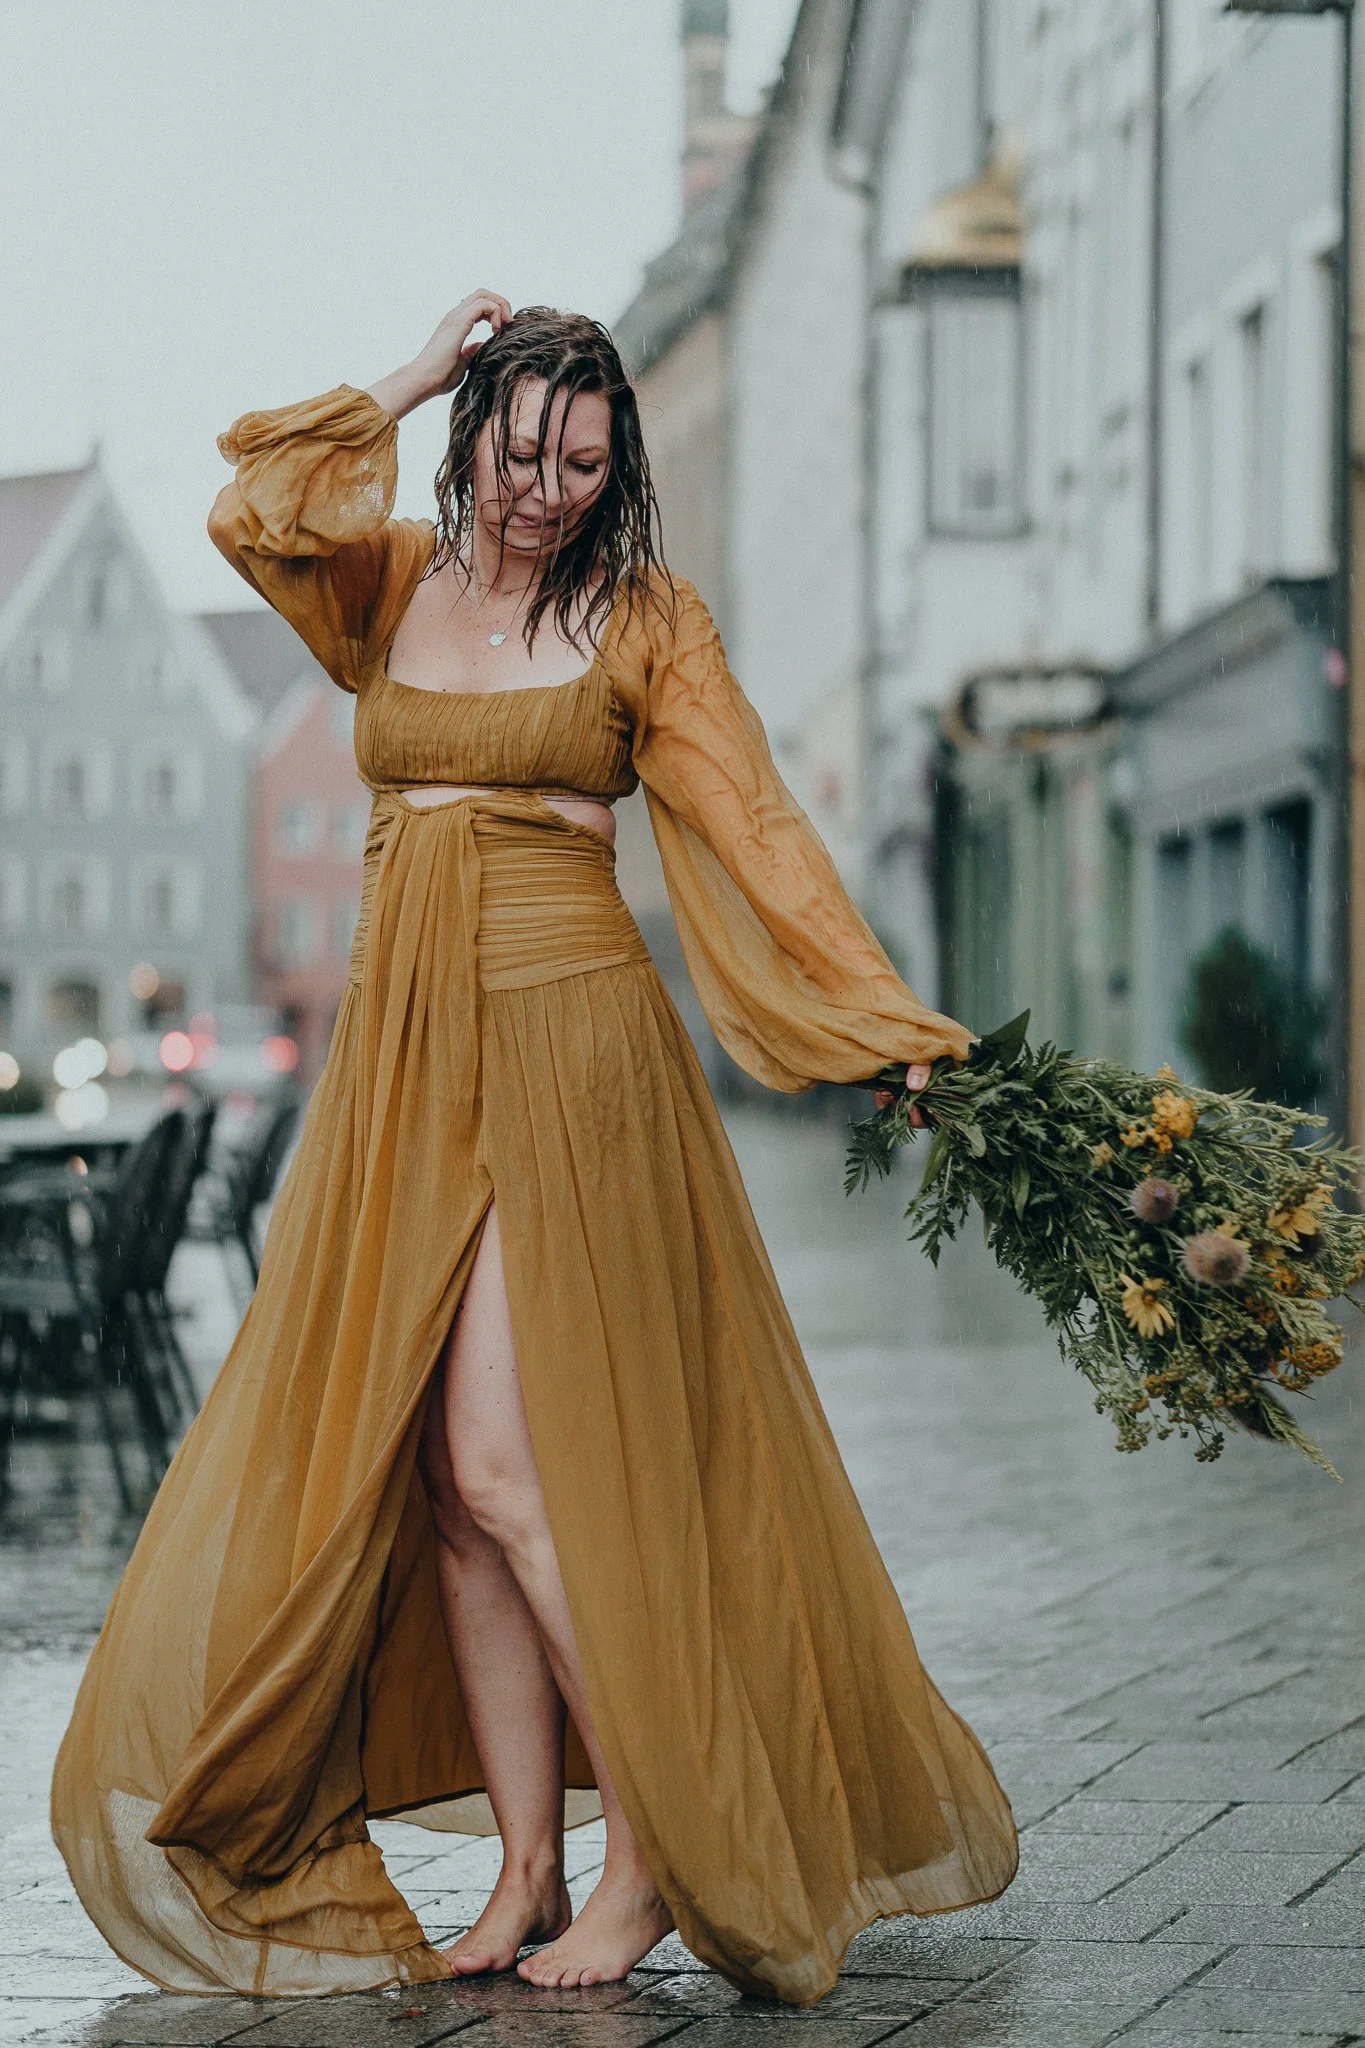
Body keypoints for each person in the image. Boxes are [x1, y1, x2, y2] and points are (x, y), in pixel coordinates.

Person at [51, 294, 1018, 2006]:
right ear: (474, 429)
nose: (549, 488)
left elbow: (765, 838)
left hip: (571, 1053)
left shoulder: (642, 618)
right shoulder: (400, 577)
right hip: (404, 1060)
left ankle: (650, 1853)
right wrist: (417, 362)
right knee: (436, 1485)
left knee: (503, 1468)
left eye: (585, 459)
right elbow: (252, 507)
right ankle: (524, 1869)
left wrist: (891, 1033)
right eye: (521, 447)